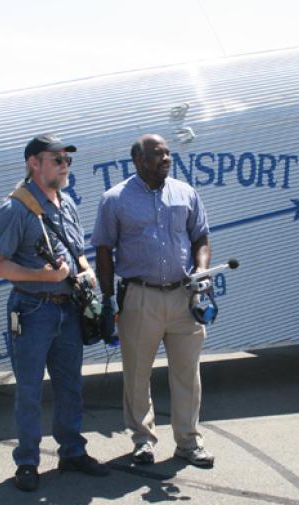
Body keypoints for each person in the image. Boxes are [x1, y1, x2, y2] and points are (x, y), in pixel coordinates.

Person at [0, 133, 109, 492]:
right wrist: (42, 275)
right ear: (34, 163)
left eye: (66, 160)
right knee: (28, 390)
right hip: (32, 309)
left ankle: (72, 450)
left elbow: (77, 249)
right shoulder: (15, 209)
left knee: (70, 384)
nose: (64, 165)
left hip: (68, 308)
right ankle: (27, 462)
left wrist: (85, 269)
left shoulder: (67, 203)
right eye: (57, 159)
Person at [92, 133, 215, 468]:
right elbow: (103, 250)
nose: (166, 159)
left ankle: (189, 443)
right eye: (158, 154)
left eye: (168, 154)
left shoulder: (186, 192)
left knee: (188, 374)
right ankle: (143, 441)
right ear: (139, 161)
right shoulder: (115, 199)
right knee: (136, 374)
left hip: (183, 297)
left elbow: (200, 236)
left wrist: (201, 270)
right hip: (139, 296)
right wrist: (106, 300)